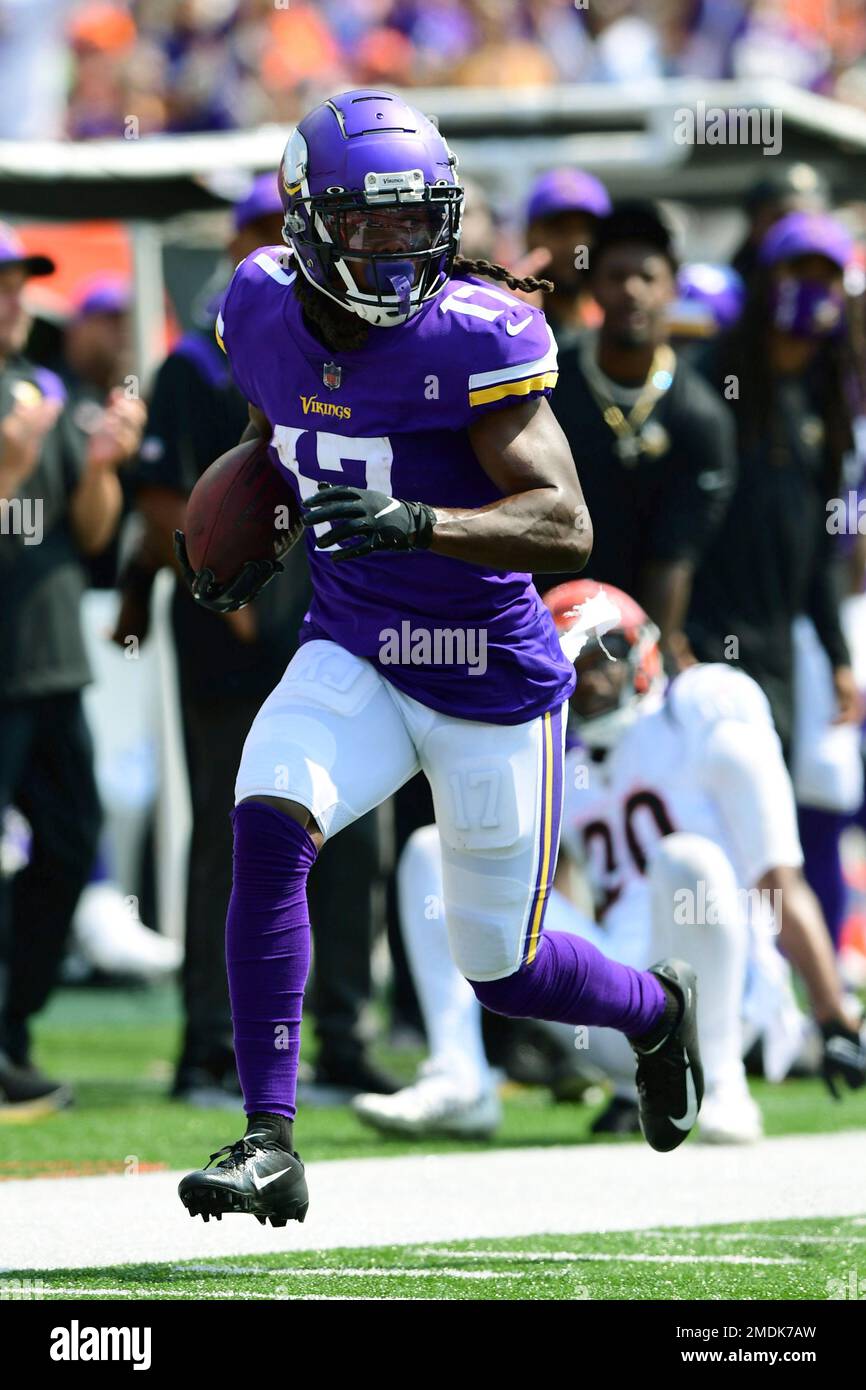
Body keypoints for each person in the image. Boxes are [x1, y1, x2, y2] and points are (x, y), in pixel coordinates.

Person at [175, 88, 705, 1228]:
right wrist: (250, 503)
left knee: (498, 971)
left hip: (486, 679)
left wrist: (425, 524)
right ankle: (270, 1136)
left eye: (417, 221)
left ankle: (656, 1010)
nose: (396, 246)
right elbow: (275, 432)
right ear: (310, 225)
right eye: (368, 223)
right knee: (266, 820)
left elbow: (563, 525)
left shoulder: (474, 332)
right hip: (355, 647)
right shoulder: (257, 307)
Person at [354, 582, 866, 1144]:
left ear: (644, 649)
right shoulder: (556, 752)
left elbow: (778, 877)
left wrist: (833, 1013)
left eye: (606, 655)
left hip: (725, 1001)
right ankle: (461, 1078)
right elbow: (547, 894)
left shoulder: (698, 710)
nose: (593, 677)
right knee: (437, 852)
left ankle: (722, 1086)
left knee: (686, 860)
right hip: (620, 1011)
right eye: (574, 662)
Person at [122, 174, 395, 1105]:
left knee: (355, 837)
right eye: (251, 236)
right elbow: (165, 495)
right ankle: (210, 1041)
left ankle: (346, 1032)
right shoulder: (199, 365)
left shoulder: (363, 352)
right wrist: (234, 602)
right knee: (234, 842)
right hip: (239, 637)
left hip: (344, 631)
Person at [0, 222, 144, 1118]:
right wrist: (11, 467)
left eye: (20, 285)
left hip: (50, 665)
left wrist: (101, 470)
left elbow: (90, 537)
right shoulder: (24, 409)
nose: (17, 302)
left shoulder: (39, 387)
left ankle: (13, 1028)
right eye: (4, 286)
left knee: (66, 847)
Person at [686, 210, 864, 761]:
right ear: (766, 281)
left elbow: (817, 549)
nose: (813, 288)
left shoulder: (825, 397)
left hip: (778, 648)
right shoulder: (713, 377)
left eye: (825, 274)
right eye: (797, 270)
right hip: (703, 639)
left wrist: (838, 657)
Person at [546, 201, 737, 661]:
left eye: (648, 277)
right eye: (615, 275)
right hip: (544, 625)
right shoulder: (548, 385)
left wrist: (648, 659)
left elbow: (674, 557)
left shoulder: (701, 417)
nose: (631, 289)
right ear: (593, 286)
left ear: (672, 287)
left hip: (640, 639)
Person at [523, 168, 611, 345]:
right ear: (529, 235)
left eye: (587, 231)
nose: (576, 245)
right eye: (559, 229)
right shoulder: (509, 313)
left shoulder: (616, 317)